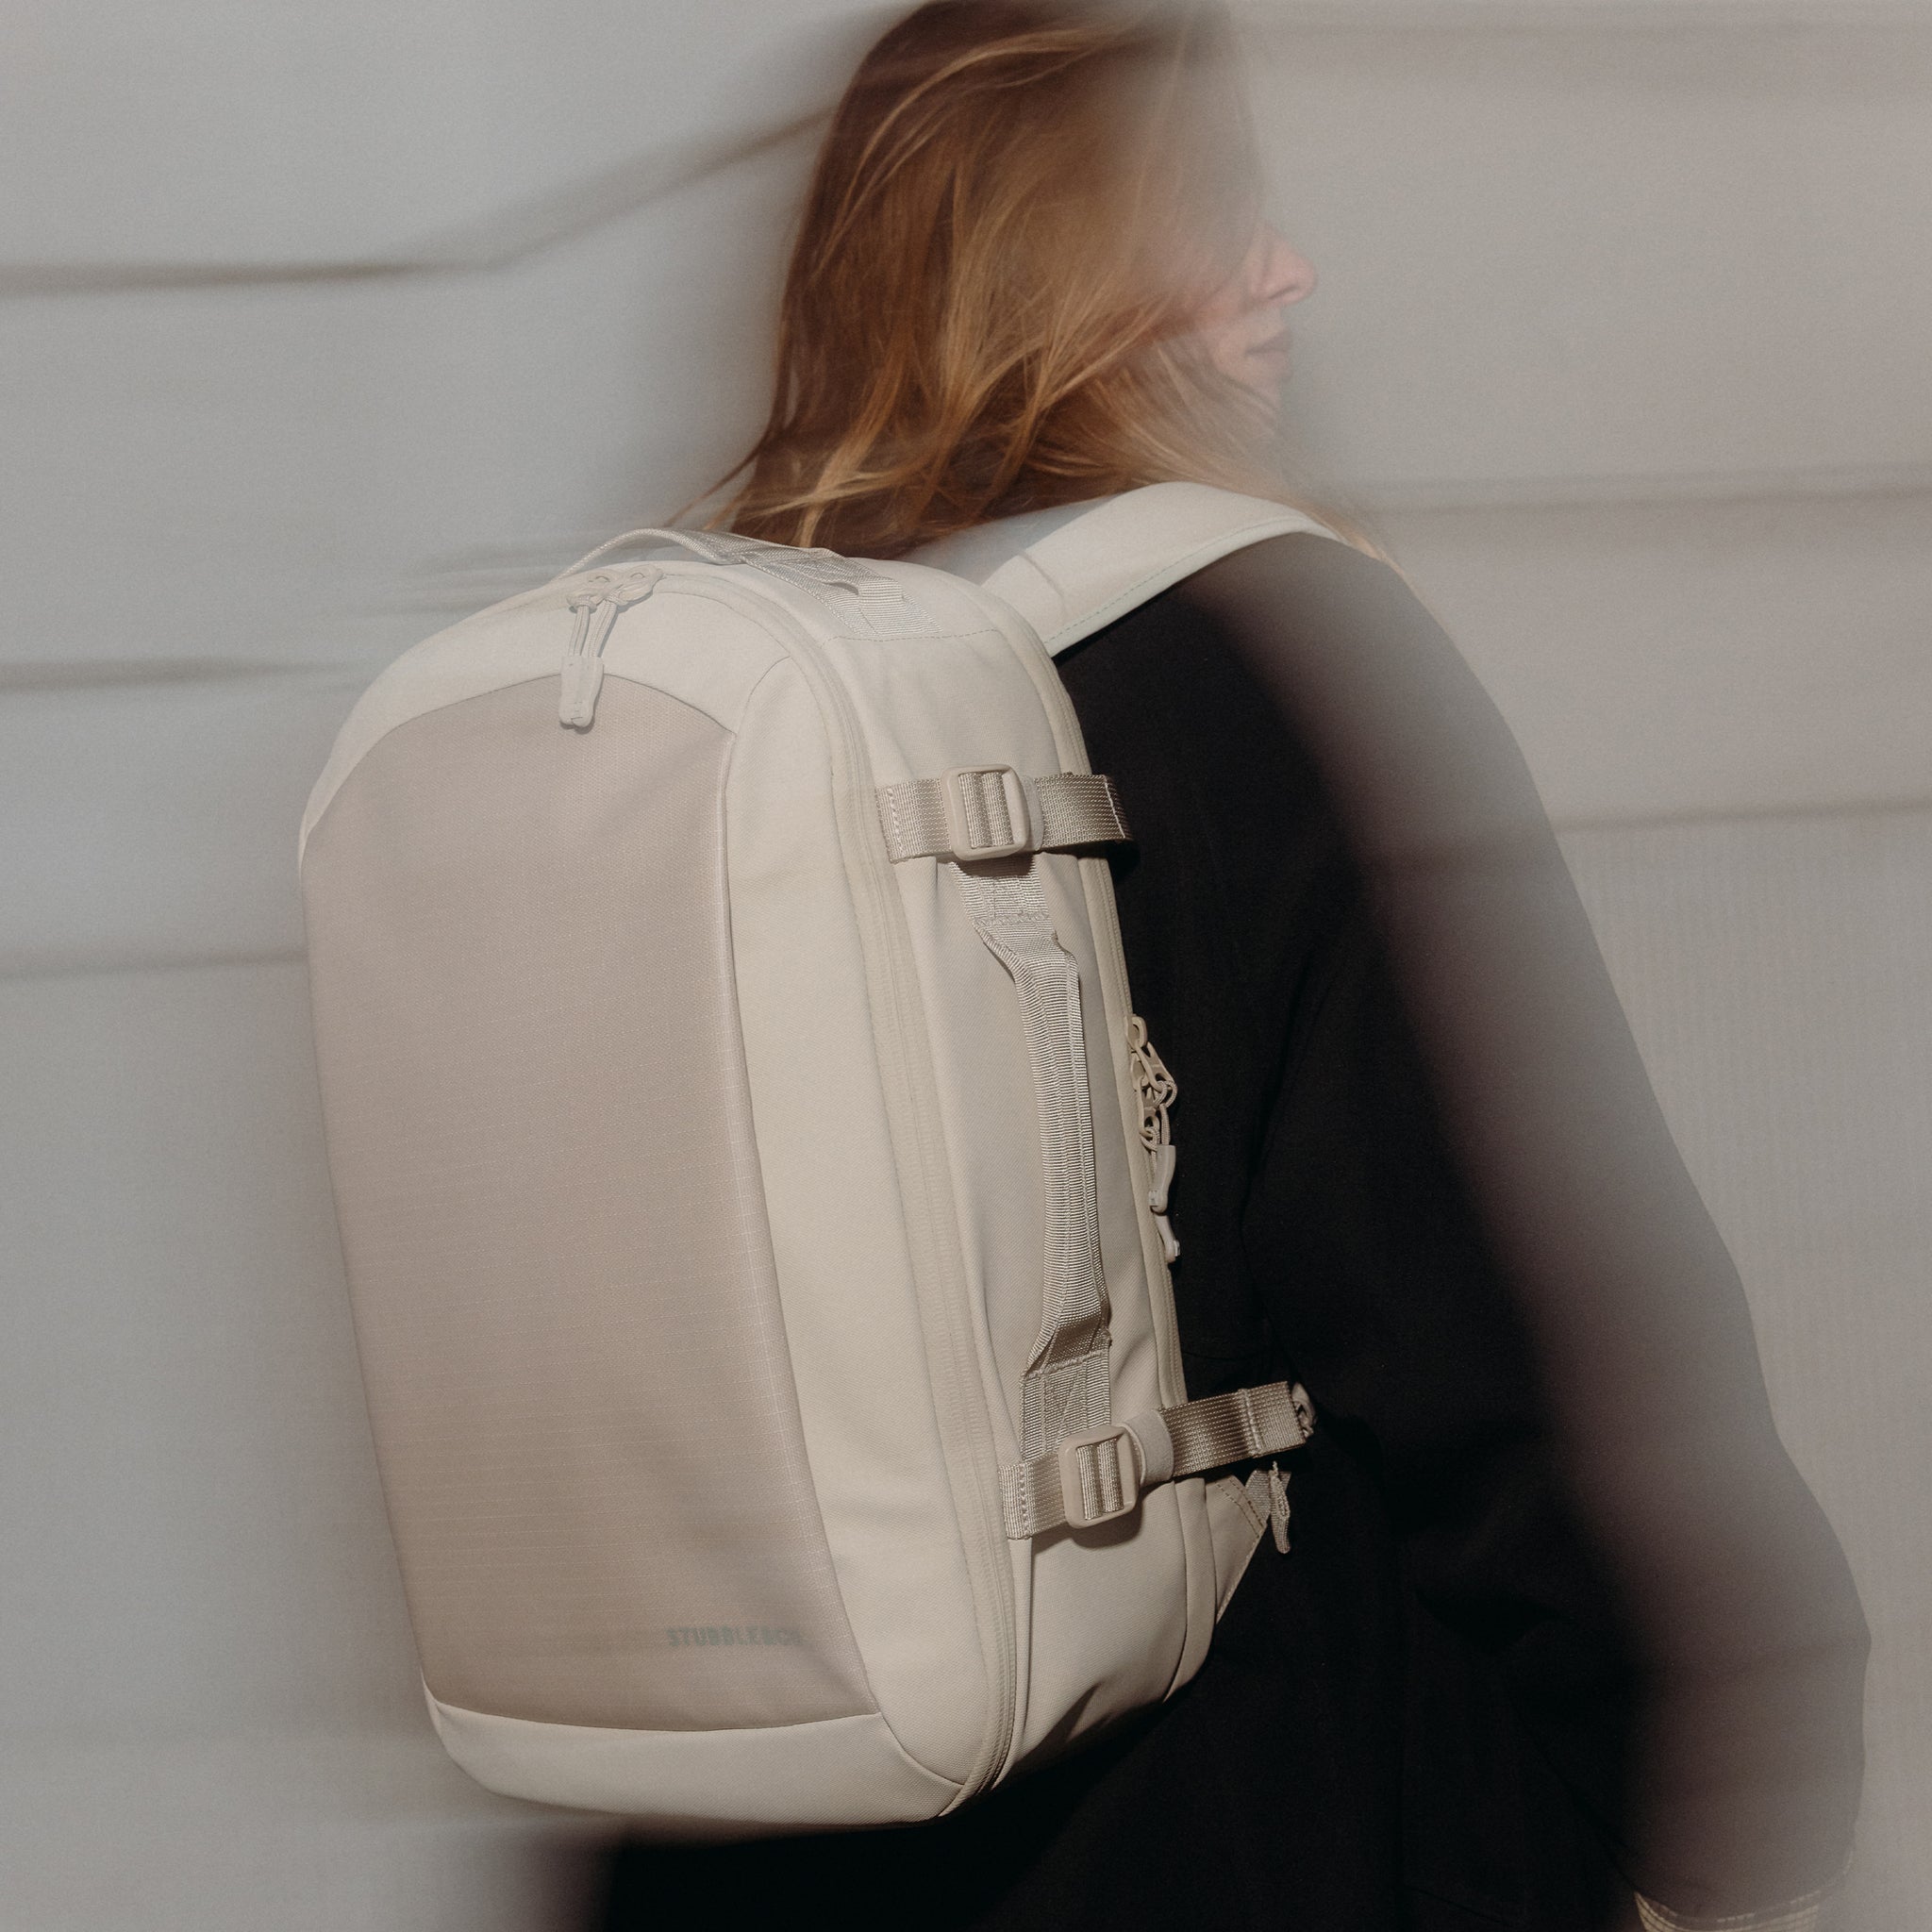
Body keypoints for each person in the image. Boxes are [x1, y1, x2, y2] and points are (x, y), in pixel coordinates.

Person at [596, 4, 1867, 1925]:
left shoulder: (698, 708)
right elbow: (1486, 1337)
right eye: (1219, 214)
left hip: (752, 1861)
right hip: (1239, 1821)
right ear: (1064, 271)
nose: (1288, 272)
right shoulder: (1239, 655)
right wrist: (1688, 1804)